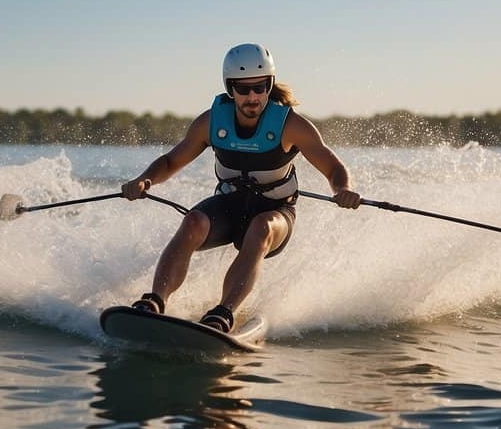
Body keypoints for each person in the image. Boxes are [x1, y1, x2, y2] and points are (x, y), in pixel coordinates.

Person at [121, 43, 361, 332]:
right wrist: (145, 180)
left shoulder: (291, 125)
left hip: (275, 213)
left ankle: (222, 313)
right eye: (242, 88)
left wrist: (342, 188)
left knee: (261, 227)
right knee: (193, 221)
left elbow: (334, 167)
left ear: (270, 85)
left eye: (260, 87)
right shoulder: (210, 122)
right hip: (230, 207)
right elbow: (171, 160)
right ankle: (154, 301)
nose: (252, 96)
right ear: (229, 87)